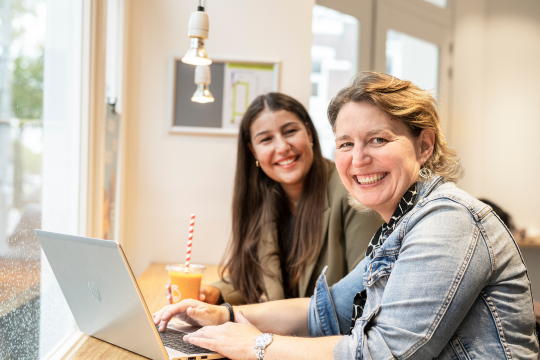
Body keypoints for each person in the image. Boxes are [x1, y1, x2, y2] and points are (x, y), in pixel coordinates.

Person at [154, 72, 539, 359]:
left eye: (378, 139)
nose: (358, 160)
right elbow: (323, 310)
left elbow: (383, 352)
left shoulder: (448, 220)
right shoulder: (400, 224)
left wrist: (256, 344)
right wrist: (226, 315)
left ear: (424, 145)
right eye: (346, 144)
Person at [169, 92, 382, 305]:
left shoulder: (352, 191)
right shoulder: (262, 197)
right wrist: (212, 293)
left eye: (290, 131)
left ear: (309, 132)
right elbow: (253, 277)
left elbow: (365, 289)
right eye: (266, 139)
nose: (282, 147)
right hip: (279, 331)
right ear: (253, 150)